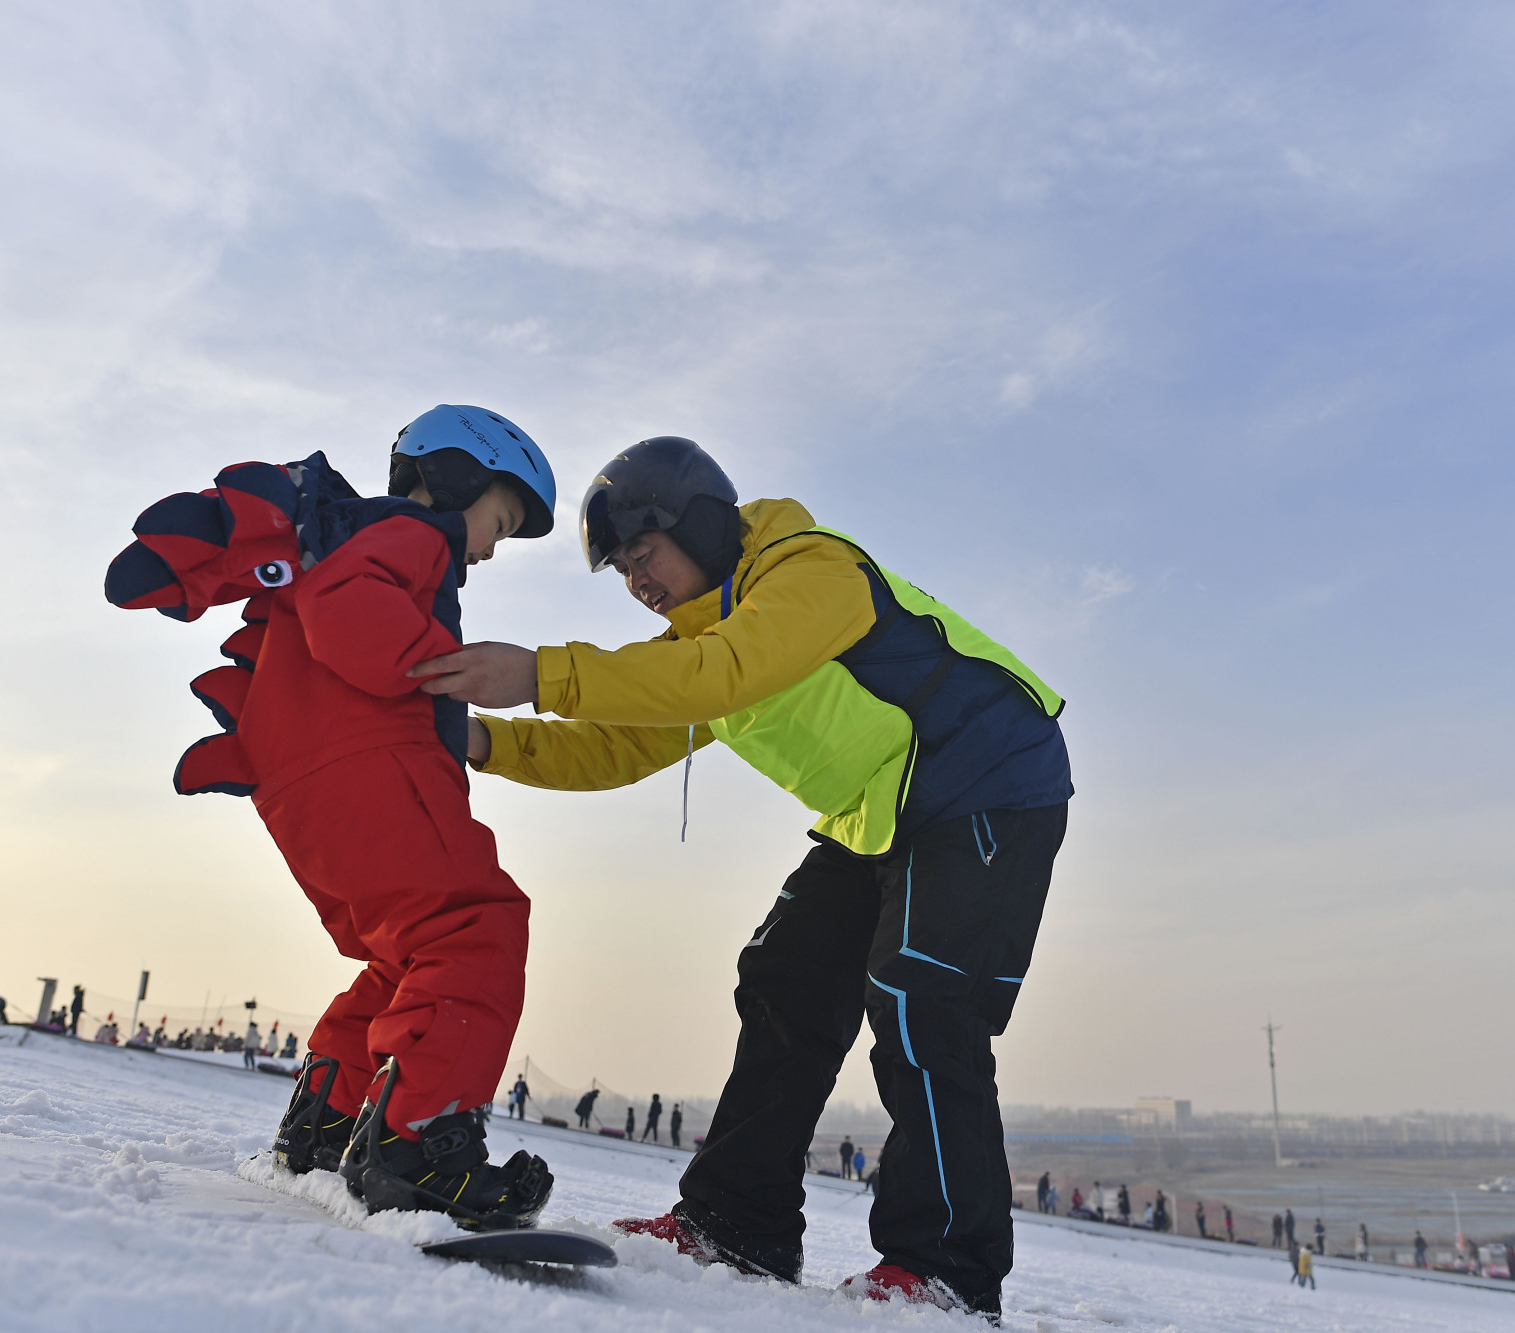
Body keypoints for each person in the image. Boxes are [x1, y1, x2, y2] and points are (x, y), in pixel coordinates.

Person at [424, 436, 1070, 1319]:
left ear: (698, 521)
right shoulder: (703, 638)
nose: (637, 584)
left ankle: (947, 1275)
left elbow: (725, 672)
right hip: (885, 809)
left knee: (924, 1001)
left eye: (642, 556)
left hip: (986, 778)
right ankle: (737, 1224)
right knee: (785, 980)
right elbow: (621, 740)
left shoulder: (810, 571)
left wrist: (540, 672)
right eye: (622, 572)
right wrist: (483, 741)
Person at [106, 404, 561, 1231]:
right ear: (458, 478)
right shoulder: (410, 536)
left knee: (404, 953)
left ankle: (328, 1120)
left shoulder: (338, 535)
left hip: (302, 790)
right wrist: (434, 660)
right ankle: (417, 1147)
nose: (490, 548)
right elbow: (348, 604)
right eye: (500, 520)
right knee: (476, 928)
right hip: (373, 765)